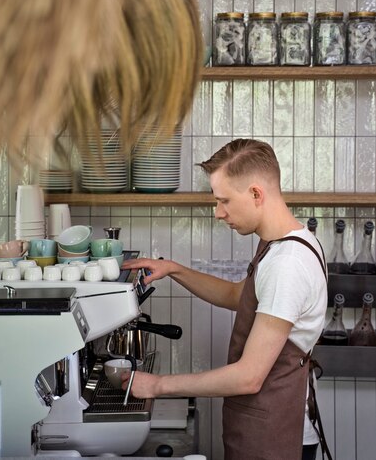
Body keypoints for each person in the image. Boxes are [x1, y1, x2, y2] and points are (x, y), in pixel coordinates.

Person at [122, 138, 328, 460]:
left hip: (274, 438)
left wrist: (157, 385)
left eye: (224, 201)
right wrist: (173, 269)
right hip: (263, 425)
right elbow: (238, 295)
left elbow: (249, 376)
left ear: (256, 194)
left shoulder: (287, 264)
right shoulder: (286, 243)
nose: (218, 213)